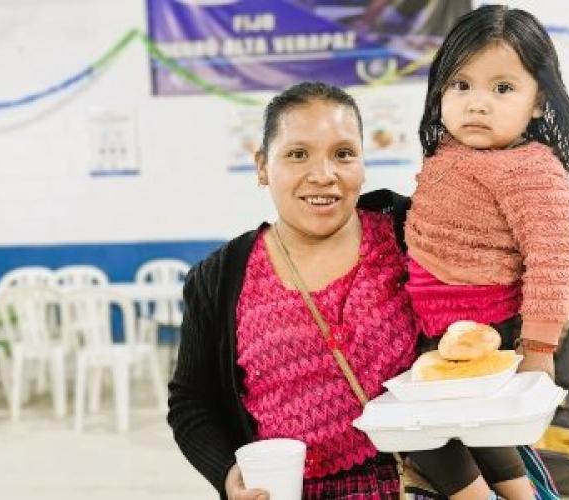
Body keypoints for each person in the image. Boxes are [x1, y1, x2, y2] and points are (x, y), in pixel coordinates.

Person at [167, 81, 432, 500]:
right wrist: (227, 472)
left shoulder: (411, 236)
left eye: (343, 154)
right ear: (261, 167)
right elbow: (191, 403)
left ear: (363, 163)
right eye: (297, 154)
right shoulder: (217, 278)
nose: (323, 175)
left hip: (419, 484)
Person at [402, 5, 569, 499]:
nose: (477, 104)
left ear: (539, 100)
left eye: (502, 88)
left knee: (423, 430)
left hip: (489, 335)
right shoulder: (448, 151)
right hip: (437, 332)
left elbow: (553, 261)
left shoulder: (531, 169)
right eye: (461, 86)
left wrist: (540, 348)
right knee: (473, 437)